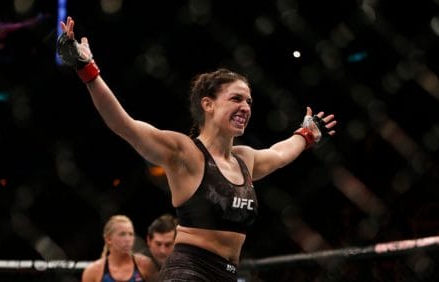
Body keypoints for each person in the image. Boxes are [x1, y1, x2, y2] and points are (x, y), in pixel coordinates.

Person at [58, 16, 337, 281]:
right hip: (189, 272)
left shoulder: (244, 159)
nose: (245, 107)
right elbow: (124, 124)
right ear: (208, 104)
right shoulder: (185, 153)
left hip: (227, 274)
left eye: (249, 101)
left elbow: (280, 153)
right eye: (236, 99)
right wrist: (88, 70)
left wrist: (306, 134)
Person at [81, 215, 158, 282]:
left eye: (131, 234)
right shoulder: (93, 271)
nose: (128, 239)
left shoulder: (145, 265)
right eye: (122, 234)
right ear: (108, 239)